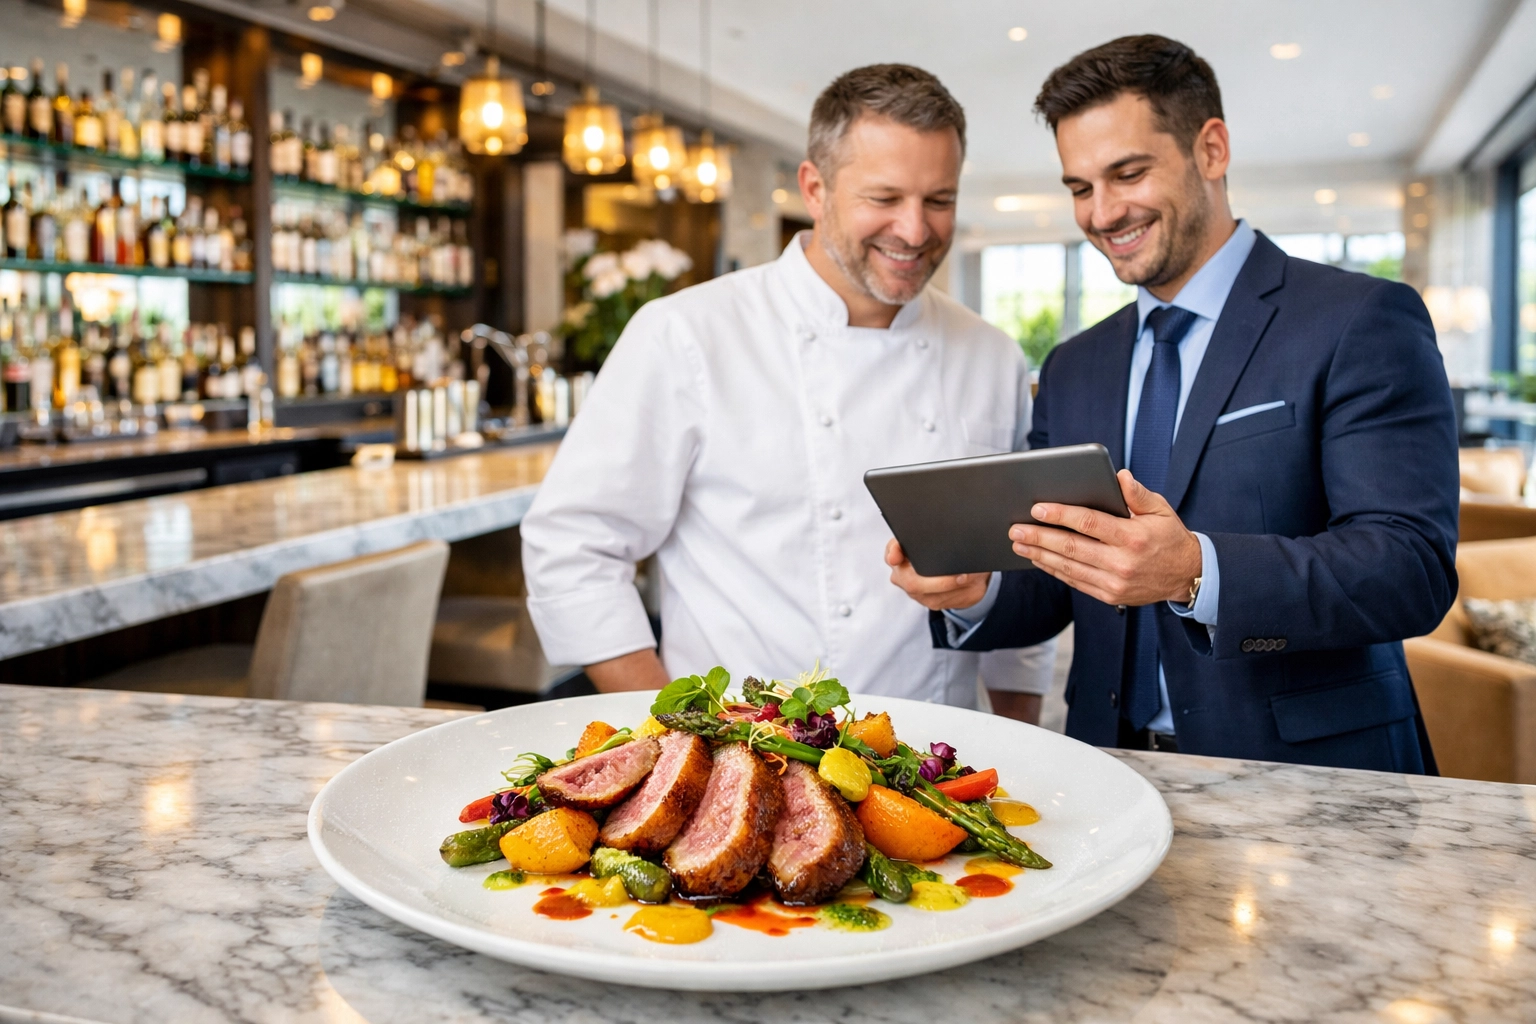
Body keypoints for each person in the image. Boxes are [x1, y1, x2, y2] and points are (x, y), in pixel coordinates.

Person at [887, 35, 1459, 770]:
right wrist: (975, 592)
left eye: (1127, 173)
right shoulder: (1075, 364)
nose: (1101, 213)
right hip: (1111, 771)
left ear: (1211, 150)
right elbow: (1063, 581)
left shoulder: (1360, 319)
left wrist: (1196, 570)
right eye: (1080, 187)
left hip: (1314, 775)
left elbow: (1409, 569)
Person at [522, 64, 1054, 714]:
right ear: (815, 188)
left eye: (938, 200)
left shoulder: (991, 355)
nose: (915, 231)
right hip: (748, 759)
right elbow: (573, 546)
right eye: (883, 199)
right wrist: (682, 737)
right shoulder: (686, 334)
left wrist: (1022, 748)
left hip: (943, 760)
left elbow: (1019, 569)